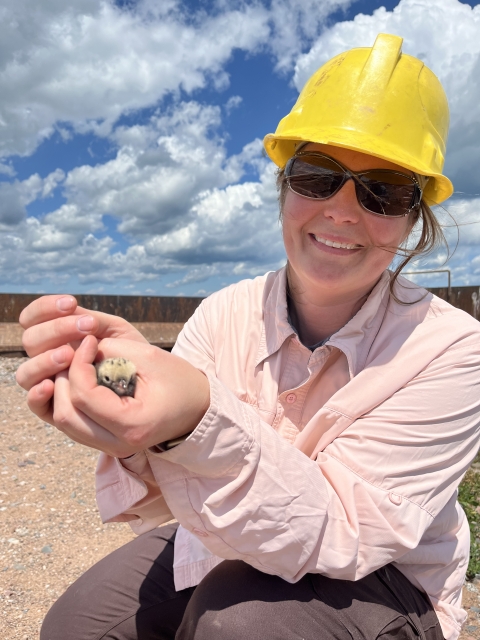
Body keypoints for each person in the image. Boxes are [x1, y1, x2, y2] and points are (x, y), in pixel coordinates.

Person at [16, 33, 480, 640]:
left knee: (243, 622)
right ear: (285, 185)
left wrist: (194, 419)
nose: (342, 211)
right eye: (318, 176)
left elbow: (344, 531)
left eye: (383, 191)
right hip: (226, 543)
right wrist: (126, 405)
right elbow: (161, 496)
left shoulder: (453, 350)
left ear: (415, 216)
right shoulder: (223, 313)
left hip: (383, 575)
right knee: (78, 625)